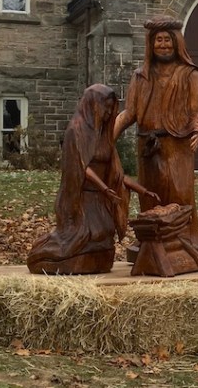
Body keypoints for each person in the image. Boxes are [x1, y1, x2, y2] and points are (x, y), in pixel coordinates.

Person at [28, 83, 157, 274]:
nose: (108, 112)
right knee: (83, 237)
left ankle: (95, 261)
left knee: (104, 233)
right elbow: (81, 167)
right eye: (105, 106)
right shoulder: (76, 131)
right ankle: (44, 256)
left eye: (111, 108)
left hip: (100, 199)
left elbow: (117, 174)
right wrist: (104, 188)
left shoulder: (104, 135)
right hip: (82, 199)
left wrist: (143, 191)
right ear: (92, 104)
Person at [112, 15, 198, 252]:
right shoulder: (141, 76)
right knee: (149, 194)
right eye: (158, 40)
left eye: (168, 39)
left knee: (181, 192)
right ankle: (150, 239)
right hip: (148, 145)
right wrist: (108, 138)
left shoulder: (190, 75)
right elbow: (130, 113)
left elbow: (196, 111)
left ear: (177, 42)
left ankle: (186, 239)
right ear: (151, 43)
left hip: (178, 145)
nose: (163, 44)